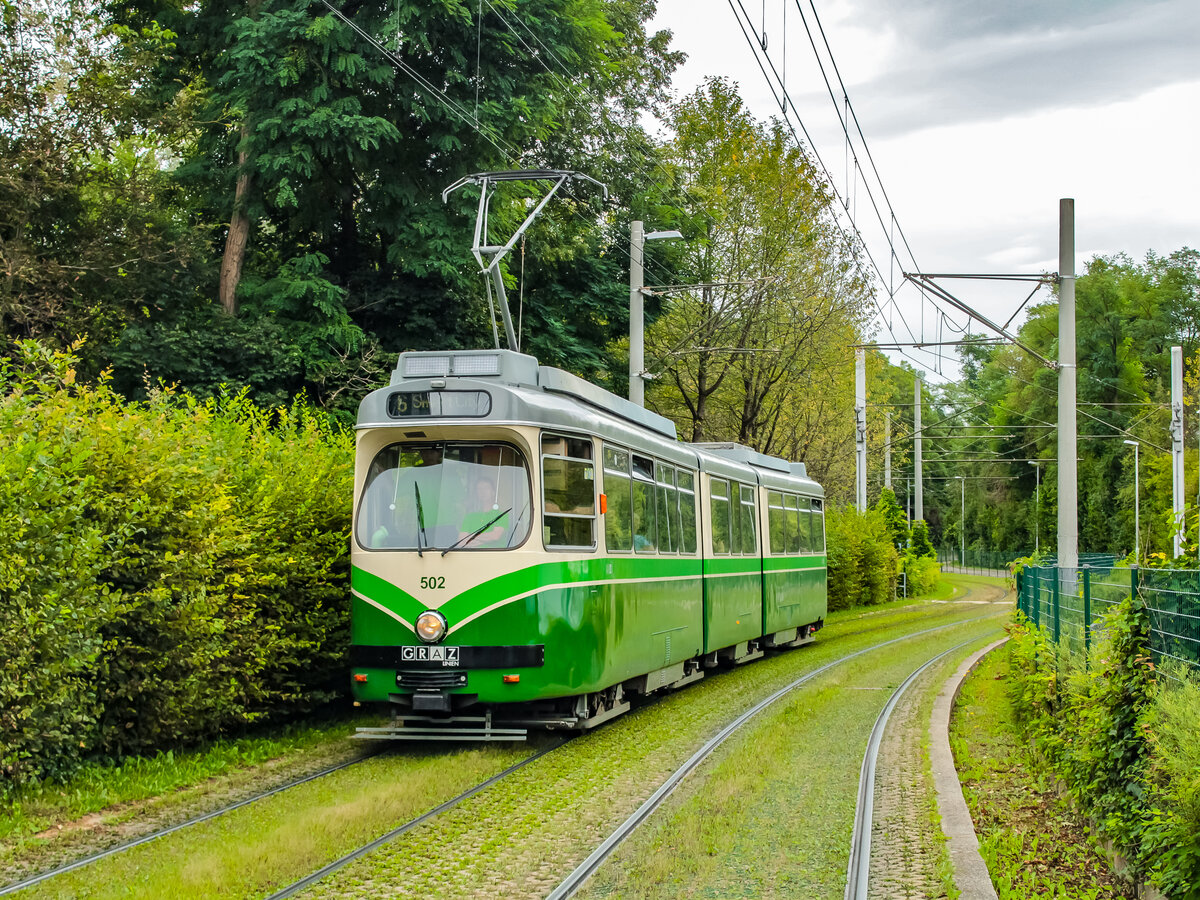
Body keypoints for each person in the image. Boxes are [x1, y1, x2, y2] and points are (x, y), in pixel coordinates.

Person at [459, 474, 509, 547]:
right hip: (472, 554)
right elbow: (461, 541)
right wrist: (485, 539)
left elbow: (495, 536)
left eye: (486, 488)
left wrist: (471, 536)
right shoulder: (470, 516)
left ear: (493, 492)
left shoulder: (502, 515)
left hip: (493, 554)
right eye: (479, 489)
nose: (482, 491)